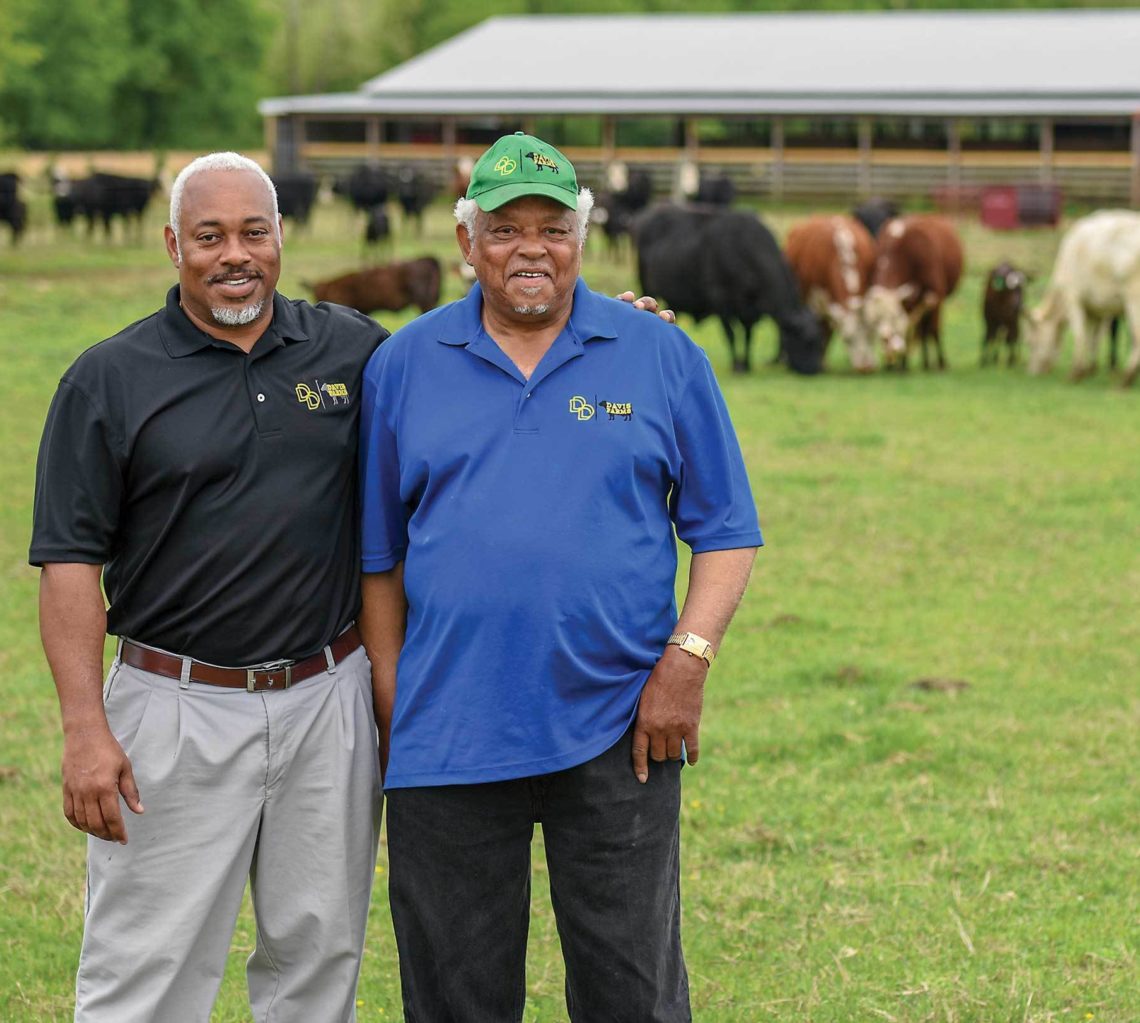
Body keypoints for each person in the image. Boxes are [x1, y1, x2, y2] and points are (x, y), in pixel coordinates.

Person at [29, 149, 671, 1023]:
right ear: (173, 243)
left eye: (255, 232)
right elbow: (69, 564)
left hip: (327, 698)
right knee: (146, 964)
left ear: (282, 236)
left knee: (318, 953)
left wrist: (613, 331)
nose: (235, 255)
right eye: (210, 236)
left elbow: (483, 352)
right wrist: (82, 727)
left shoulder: (354, 351)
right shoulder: (108, 378)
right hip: (175, 702)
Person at [358, 132, 763, 1022]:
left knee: (634, 989)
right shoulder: (404, 364)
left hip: (623, 725)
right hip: (448, 733)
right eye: (505, 229)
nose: (530, 248)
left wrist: (686, 663)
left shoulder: (660, 354)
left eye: (553, 227)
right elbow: (377, 560)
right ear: (467, 243)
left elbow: (726, 532)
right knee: (455, 993)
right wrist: (395, 698)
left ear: (583, 238)